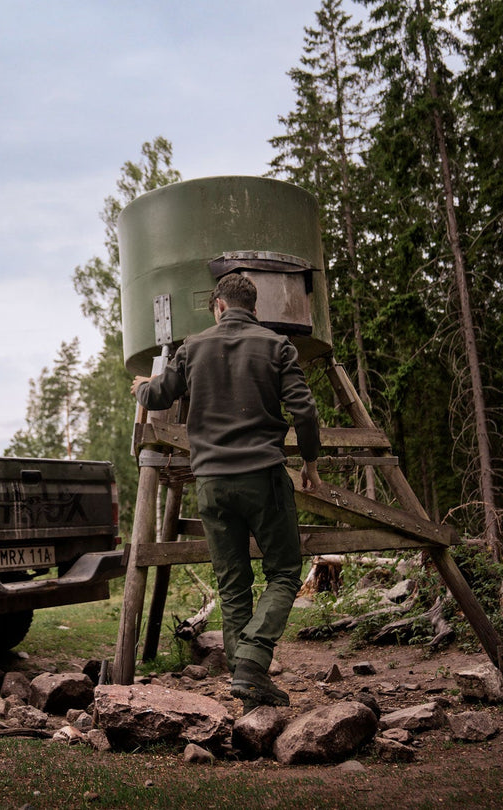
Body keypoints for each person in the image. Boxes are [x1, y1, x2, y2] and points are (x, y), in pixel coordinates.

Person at [132, 272, 321, 710]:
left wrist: (142, 387)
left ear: (218, 306)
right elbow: (305, 412)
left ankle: (246, 682)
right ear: (255, 309)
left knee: (234, 585)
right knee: (285, 571)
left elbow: (160, 395)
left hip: (212, 484)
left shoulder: (193, 347)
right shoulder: (277, 346)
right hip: (263, 477)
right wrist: (310, 464)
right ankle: (253, 665)